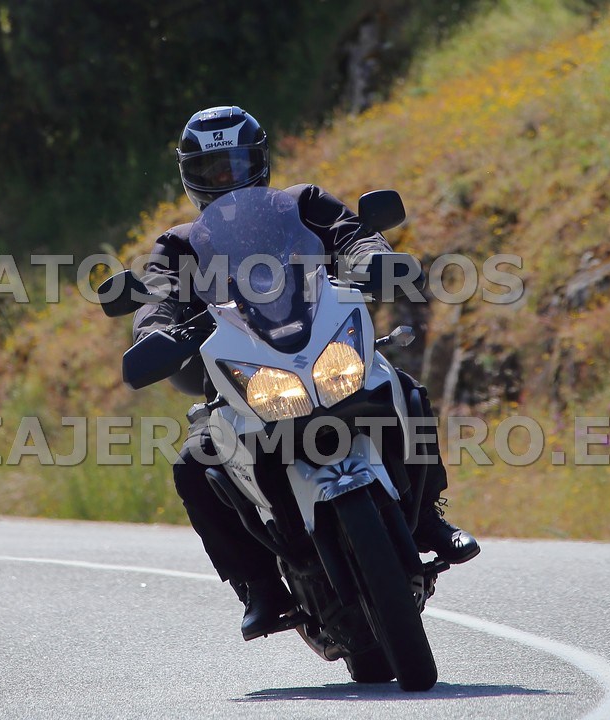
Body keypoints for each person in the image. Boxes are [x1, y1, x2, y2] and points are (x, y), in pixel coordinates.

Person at [132, 105, 480, 642]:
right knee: (195, 463)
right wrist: (155, 333)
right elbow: (157, 296)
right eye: (211, 171)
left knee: (405, 391)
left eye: (234, 165)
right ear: (190, 176)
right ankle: (259, 586)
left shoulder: (303, 203)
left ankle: (429, 517)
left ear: (258, 161)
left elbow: (352, 234)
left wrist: (371, 258)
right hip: (244, 381)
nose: (225, 179)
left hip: (321, 347)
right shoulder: (179, 244)